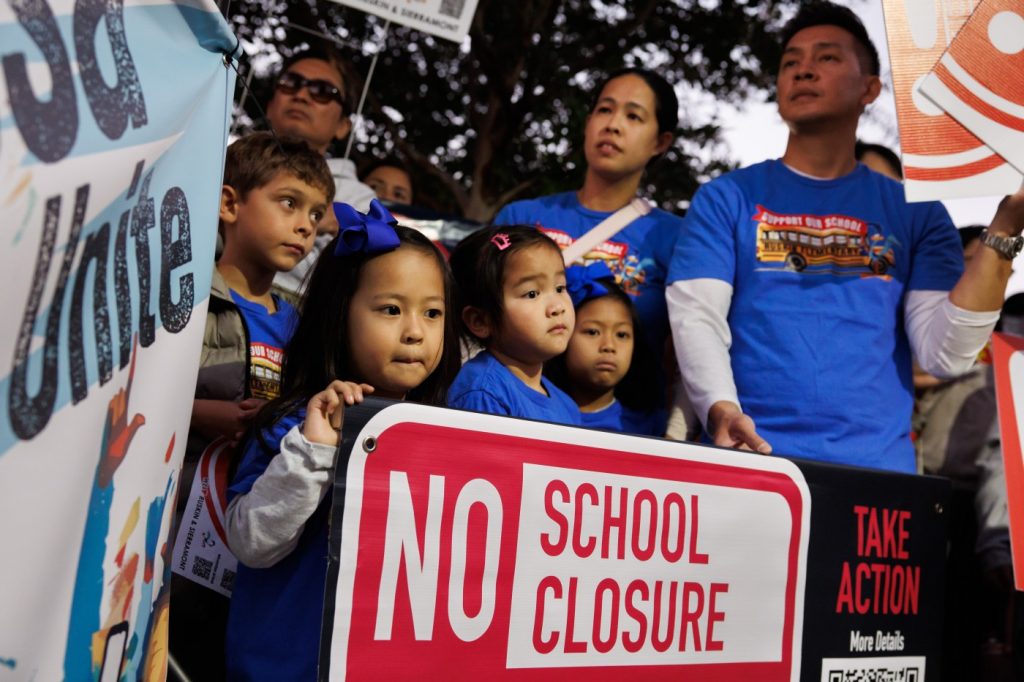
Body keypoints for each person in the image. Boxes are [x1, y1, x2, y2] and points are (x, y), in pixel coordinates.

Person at [667, 1, 1024, 472]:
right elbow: (697, 319)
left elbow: (946, 354)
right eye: (791, 61)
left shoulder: (917, 212)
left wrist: (1005, 228)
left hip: (876, 475)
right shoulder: (726, 198)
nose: (804, 70)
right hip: (748, 461)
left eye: (827, 58)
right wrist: (720, 407)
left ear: (870, 88)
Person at [224, 201, 460, 679]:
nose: (415, 332)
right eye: (391, 309)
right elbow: (251, 541)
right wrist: (316, 449)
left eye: (432, 313)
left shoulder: (446, 437)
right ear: (338, 316)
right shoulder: (293, 425)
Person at [171, 132, 334, 678]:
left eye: (316, 213)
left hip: (258, 536)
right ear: (229, 203)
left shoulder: (307, 326)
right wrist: (196, 411)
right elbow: (126, 390)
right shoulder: (185, 293)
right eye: (289, 203)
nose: (305, 224)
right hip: (173, 527)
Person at [493, 67, 683, 351]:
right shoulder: (520, 218)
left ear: (660, 142)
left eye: (633, 116)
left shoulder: (675, 237)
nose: (613, 124)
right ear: (588, 122)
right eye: (605, 110)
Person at [265, 45, 378, 300]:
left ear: (342, 126)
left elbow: (347, 280)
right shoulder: (224, 163)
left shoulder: (360, 200)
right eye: (290, 83)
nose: (302, 95)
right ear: (270, 106)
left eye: (323, 92)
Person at [448, 226, 581, 425]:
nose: (557, 307)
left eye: (560, 288)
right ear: (481, 321)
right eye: (532, 294)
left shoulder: (568, 406)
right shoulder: (484, 395)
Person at [546, 262, 666, 436]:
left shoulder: (650, 426)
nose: (609, 346)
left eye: (622, 335)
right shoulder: (534, 413)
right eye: (593, 332)